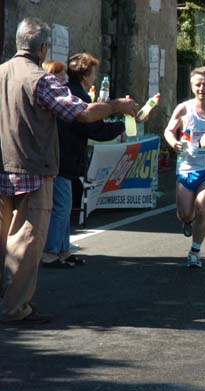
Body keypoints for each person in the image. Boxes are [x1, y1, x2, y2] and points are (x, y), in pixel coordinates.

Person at [0, 17, 137, 324]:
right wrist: (116, 106)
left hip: (3, 168)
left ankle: (8, 302)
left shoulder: (1, 73)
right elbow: (82, 113)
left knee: (4, 242)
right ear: (43, 48)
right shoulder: (40, 80)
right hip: (32, 170)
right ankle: (14, 308)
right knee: (26, 244)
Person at [42, 53, 126, 269]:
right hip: (63, 157)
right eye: (94, 72)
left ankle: (62, 250)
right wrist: (122, 125)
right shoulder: (79, 96)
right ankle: (51, 252)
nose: (95, 77)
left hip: (65, 156)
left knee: (66, 204)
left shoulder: (70, 93)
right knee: (62, 206)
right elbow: (94, 128)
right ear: (86, 73)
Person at [164, 67, 205, 268]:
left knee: (202, 208)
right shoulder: (184, 109)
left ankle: (195, 251)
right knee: (185, 214)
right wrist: (174, 143)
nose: (202, 88)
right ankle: (188, 222)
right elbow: (168, 130)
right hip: (186, 167)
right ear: (192, 86)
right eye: (198, 84)